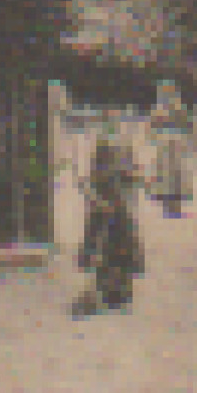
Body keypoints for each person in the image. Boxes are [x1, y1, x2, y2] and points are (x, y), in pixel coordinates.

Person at [72, 129, 145, 317]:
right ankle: (101, 292)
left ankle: (119, 293)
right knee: (101, 249)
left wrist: (130, 180)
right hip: (102, 210)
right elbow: (84, 183)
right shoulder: (95, 157)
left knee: (121, 250)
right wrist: (98, 201)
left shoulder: (127, 148)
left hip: (120, 210)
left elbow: (135, 178)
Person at [148, 79, 194, 218]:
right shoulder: (158, 109)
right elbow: (152, 126)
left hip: (177, 143)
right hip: (163, 144)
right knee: (165, 174)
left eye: (170, 91)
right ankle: (167, 205)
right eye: (164, 91)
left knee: (177, 174)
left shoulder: (180, 108)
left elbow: (188, 125)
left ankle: (176, 205)